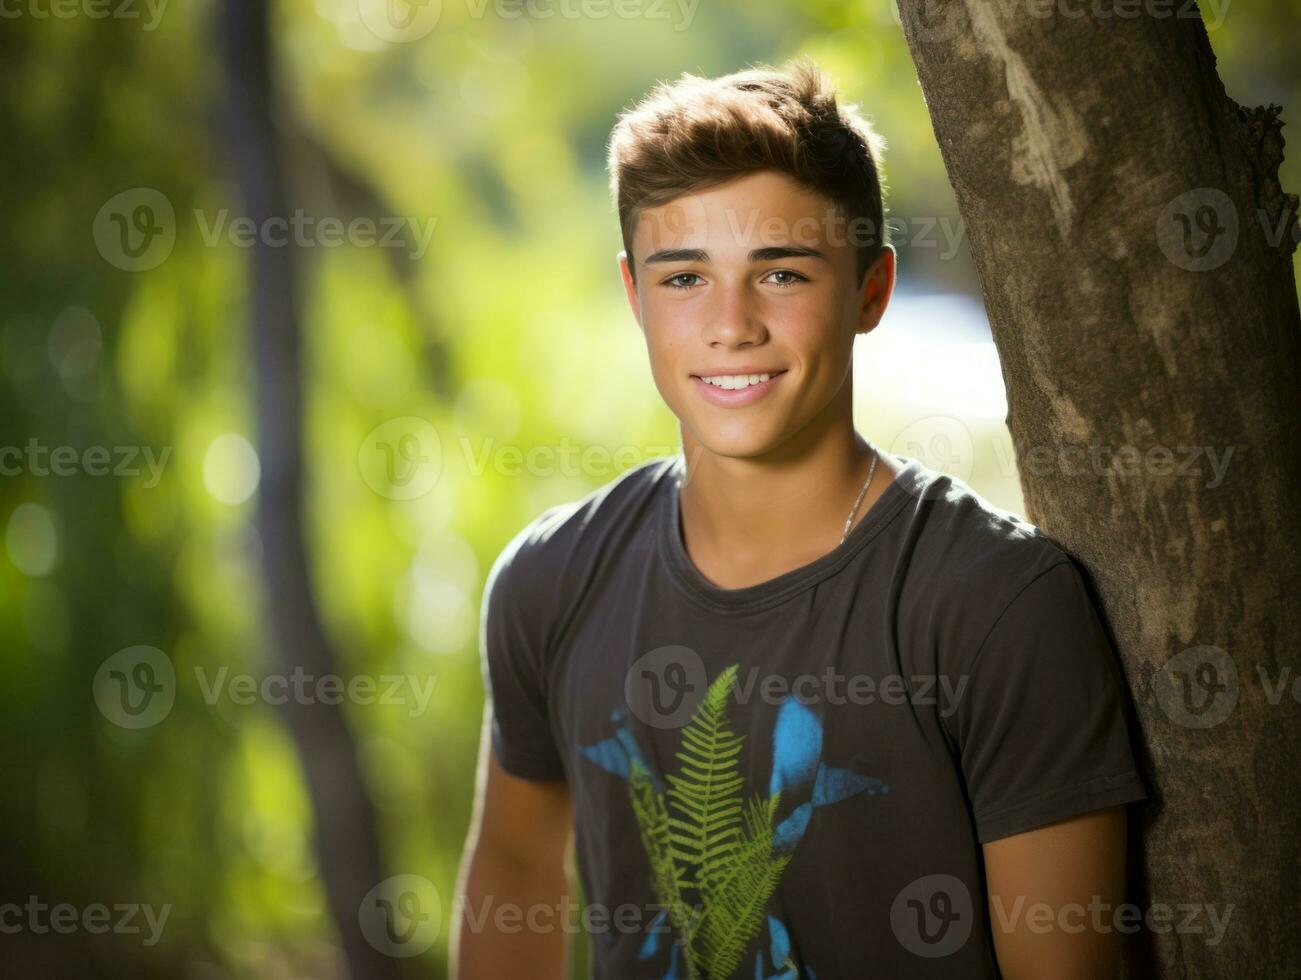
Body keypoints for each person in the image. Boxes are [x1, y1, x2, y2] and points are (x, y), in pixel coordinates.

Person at [453, 56, 1147, 980]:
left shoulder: (997, 607)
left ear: (870, 291)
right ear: (633, 296)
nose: (731, 325)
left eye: (780, 274)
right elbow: (514, 872)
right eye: (684, 278)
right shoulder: (551, 581)